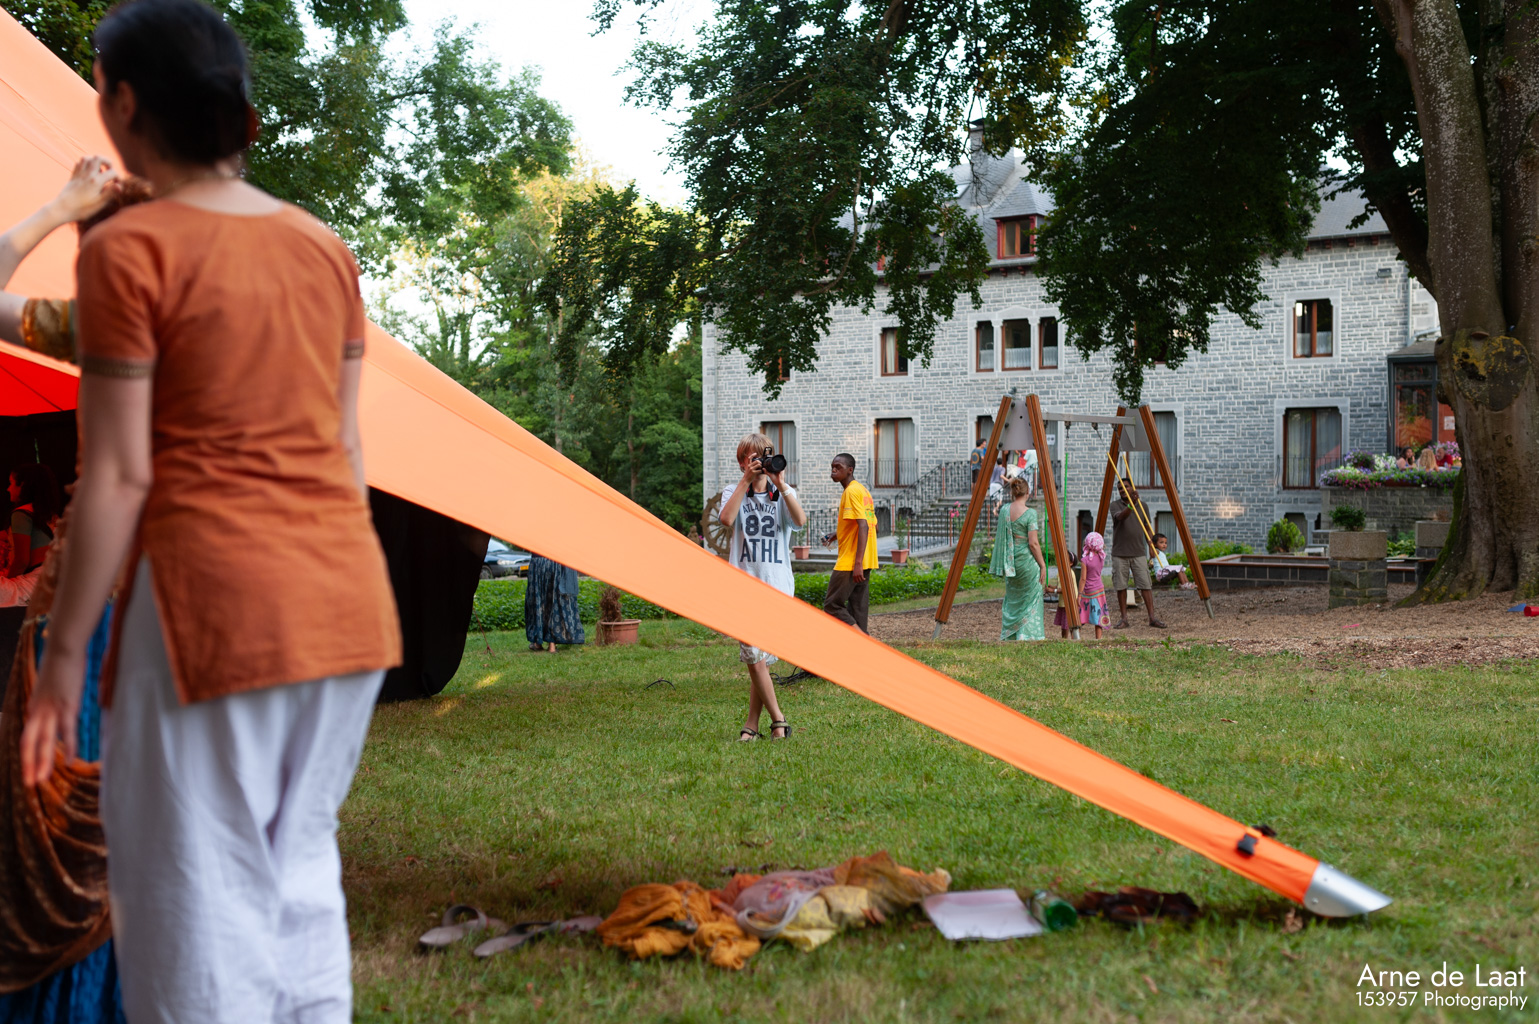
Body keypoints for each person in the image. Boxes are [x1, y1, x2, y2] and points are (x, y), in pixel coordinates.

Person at [20, 6, 402, 1023]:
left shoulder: (131, 250)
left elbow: (119, 476)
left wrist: (63, 660)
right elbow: (348, 454)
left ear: (122, 103)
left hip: (208, 613)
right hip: (347, 611)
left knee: (194, 916)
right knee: (297, 892)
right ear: (246, 118)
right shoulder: (323, 248)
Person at [720, 433, 806, 740]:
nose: (760, 462)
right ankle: (779, 720)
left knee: (761, 660)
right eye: (753, 457)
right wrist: (746, 480)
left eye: (765, 455)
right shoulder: (733, 491)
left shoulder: (782, 493)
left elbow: (800, 521)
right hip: (744, 586)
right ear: (742, 462)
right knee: (753, 654)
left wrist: (780, 484)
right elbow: (726, 519)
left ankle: (751, 726)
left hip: (777, 586)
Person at [824, 452, 877, 633]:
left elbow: (864, 526)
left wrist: (857, 563)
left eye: (838, 467)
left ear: (850, 470)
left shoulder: (851, 491)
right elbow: (873, 525)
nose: (833, 470)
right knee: (857, 611)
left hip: (851, 562)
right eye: (832, 467)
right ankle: (860, 647)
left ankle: (866, 642)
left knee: (832, 605)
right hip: (866, 560)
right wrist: (837, 534)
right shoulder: (863, 490)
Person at [989, 474, 1047, 641]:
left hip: (1010, 563)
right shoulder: (1030, 513)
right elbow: (1033, 543)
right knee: (1031, 597)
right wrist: (1042, 565)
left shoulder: (1004, 510)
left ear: (1013, 492)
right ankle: (1028, 635)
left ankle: (1012, 635)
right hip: (1027, 562)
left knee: (1014, 597)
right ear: (1027, 492)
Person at [1110, 479, 1166, 628]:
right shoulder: (1114, 505)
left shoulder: (1143, 506)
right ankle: (1124, 619)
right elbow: (1121, 517)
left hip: (1138, 552)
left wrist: (1151, 544)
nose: (1122, 490)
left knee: (1145, 584)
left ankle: (1152, 618)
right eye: (1120, 488)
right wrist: (1131, 504)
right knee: (1121, 586)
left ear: (1132, 488)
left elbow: (1147, 527)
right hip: (1120, 553)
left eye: (1126, 487)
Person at [7, 463, 62, 576]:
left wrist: (9, 580)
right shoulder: (53, 515)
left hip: (37, 577)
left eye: (11, 483)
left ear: (22, 485)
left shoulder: (21, 514)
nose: (8, 489)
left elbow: (22, 562)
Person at [524, 554, 584, 652]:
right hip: (556, 562)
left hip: (537, 563)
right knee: (555, 601)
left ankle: (537, 642)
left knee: (537, 599)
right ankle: (552, 645)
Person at [1076, 531, 1110, 639]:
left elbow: (1083, 579)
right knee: (1098, 616)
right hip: (1099, 590)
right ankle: (1098, 639)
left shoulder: (1084, 560)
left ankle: (1076, 638)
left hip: (1087, 592)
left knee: (1080, 615)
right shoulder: (1101, 557)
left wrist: (1079, 594)